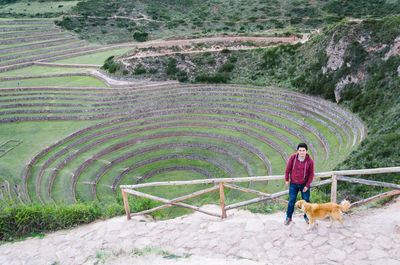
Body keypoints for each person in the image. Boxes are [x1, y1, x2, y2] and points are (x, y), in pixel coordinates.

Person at [284, 143, 314, 225]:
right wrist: (287, 179)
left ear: (306, 151)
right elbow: (288, 169)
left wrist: (307, 185)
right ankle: (288, 217)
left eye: (303, 151)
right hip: (293, 184)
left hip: (304, 184)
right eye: (300, 150)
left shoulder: (310, 161)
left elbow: (311, 174)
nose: (301, 152)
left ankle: (307, 216)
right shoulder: (293, 158)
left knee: (306, 201)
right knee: (291, 200)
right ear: (297, 151)